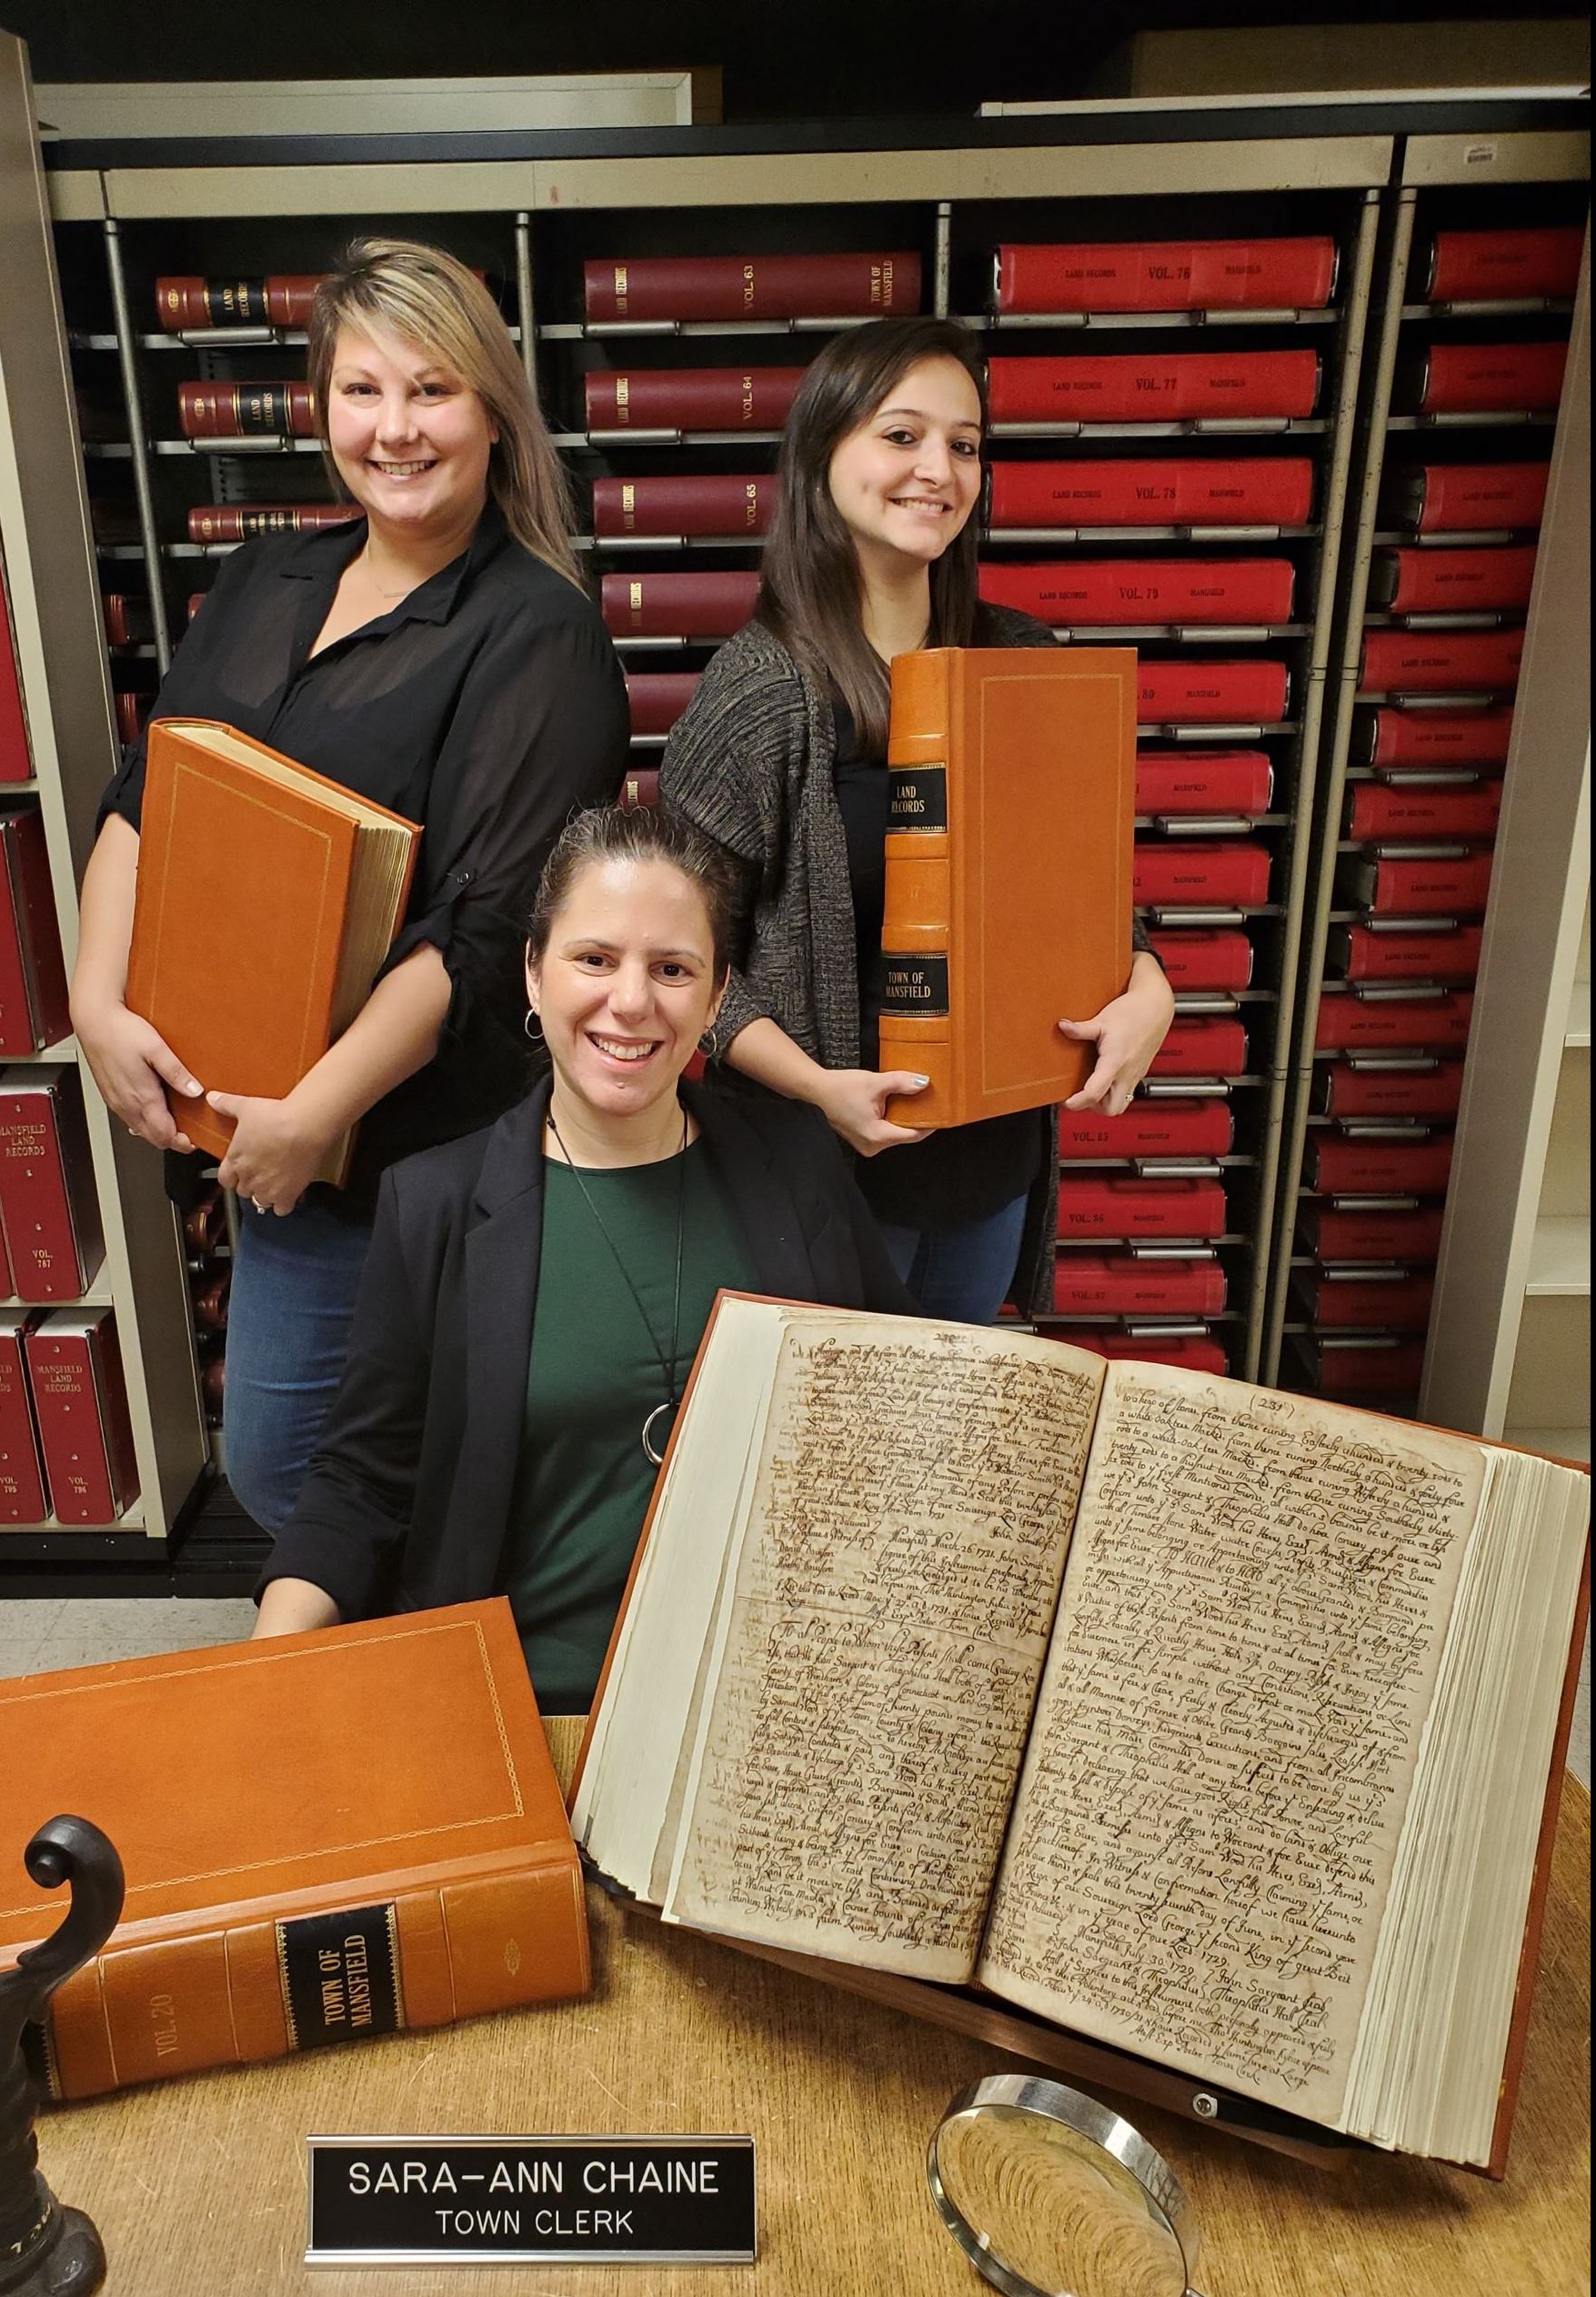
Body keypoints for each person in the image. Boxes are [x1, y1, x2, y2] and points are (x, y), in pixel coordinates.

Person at [71, 238, 629, 1532]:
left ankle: (437, 1691)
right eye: (362, 391)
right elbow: (148, 793)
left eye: (432, 391)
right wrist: (97, 1002)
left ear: (492, 408)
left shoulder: (539, 631)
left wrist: (317, 1113)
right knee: (307, 1475)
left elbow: (488, 930)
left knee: (337, 1474)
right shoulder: (267, 577)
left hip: (407, 1144)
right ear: (322, 405)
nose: (396, 429)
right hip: (251, 1109)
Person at [252, 804, 916, 1710]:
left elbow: (906, 1416)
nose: (632, 1002)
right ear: (533, 973)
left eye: (673, 969)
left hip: (765, 1712)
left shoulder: (799, 1168)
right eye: (594, 959)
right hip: (532, 1706)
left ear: (719, 998)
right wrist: (261, 1668)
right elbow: (361, 1480)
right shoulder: (435, 1203)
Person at [660, 317, 1175, 1325]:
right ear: (822, 454)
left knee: (939, 1456)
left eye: (965, 443)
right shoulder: (760, 691)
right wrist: (815, 1086)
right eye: (900, 435)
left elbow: (1080, 885)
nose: (937, 468)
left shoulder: (1026, 664)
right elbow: (682, 962)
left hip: (992, 1165)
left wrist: (1150, 985)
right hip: (825, 1171)